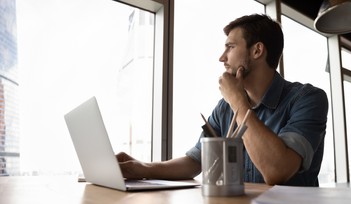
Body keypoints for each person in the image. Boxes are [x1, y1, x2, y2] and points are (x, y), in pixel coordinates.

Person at [117, 14, 328, 186]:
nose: (222, 57)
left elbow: (277, 172)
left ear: (257, 50)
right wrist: (142, 168)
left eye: (230, 47)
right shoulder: (225, 108)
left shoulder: (308, 99)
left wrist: (238, 102)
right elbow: (195, 162)